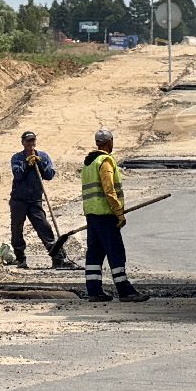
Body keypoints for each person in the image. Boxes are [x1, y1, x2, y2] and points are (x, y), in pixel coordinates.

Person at [80, 128, 148, 303]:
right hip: (105, 214)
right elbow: (109, 190)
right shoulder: (105, 161)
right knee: (115, 251)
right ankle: (125, 291)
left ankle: (94, 290)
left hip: (92, 215)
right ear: (109, 142)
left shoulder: (88, 163)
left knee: (95, 253)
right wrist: (119, 213)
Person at [9, 130, 59, 268]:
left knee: (44, 227)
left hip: (35, 200)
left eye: (32, 141)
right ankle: (20, 259)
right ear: (23, 142)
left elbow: (49, 175)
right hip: (19, 200)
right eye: (28, 141)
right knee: (17, 229)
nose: (30, 144)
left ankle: (57, 257)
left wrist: (40, 163)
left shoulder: (43, 156)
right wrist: (27, 164)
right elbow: (18, 175)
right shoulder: (17, 158)